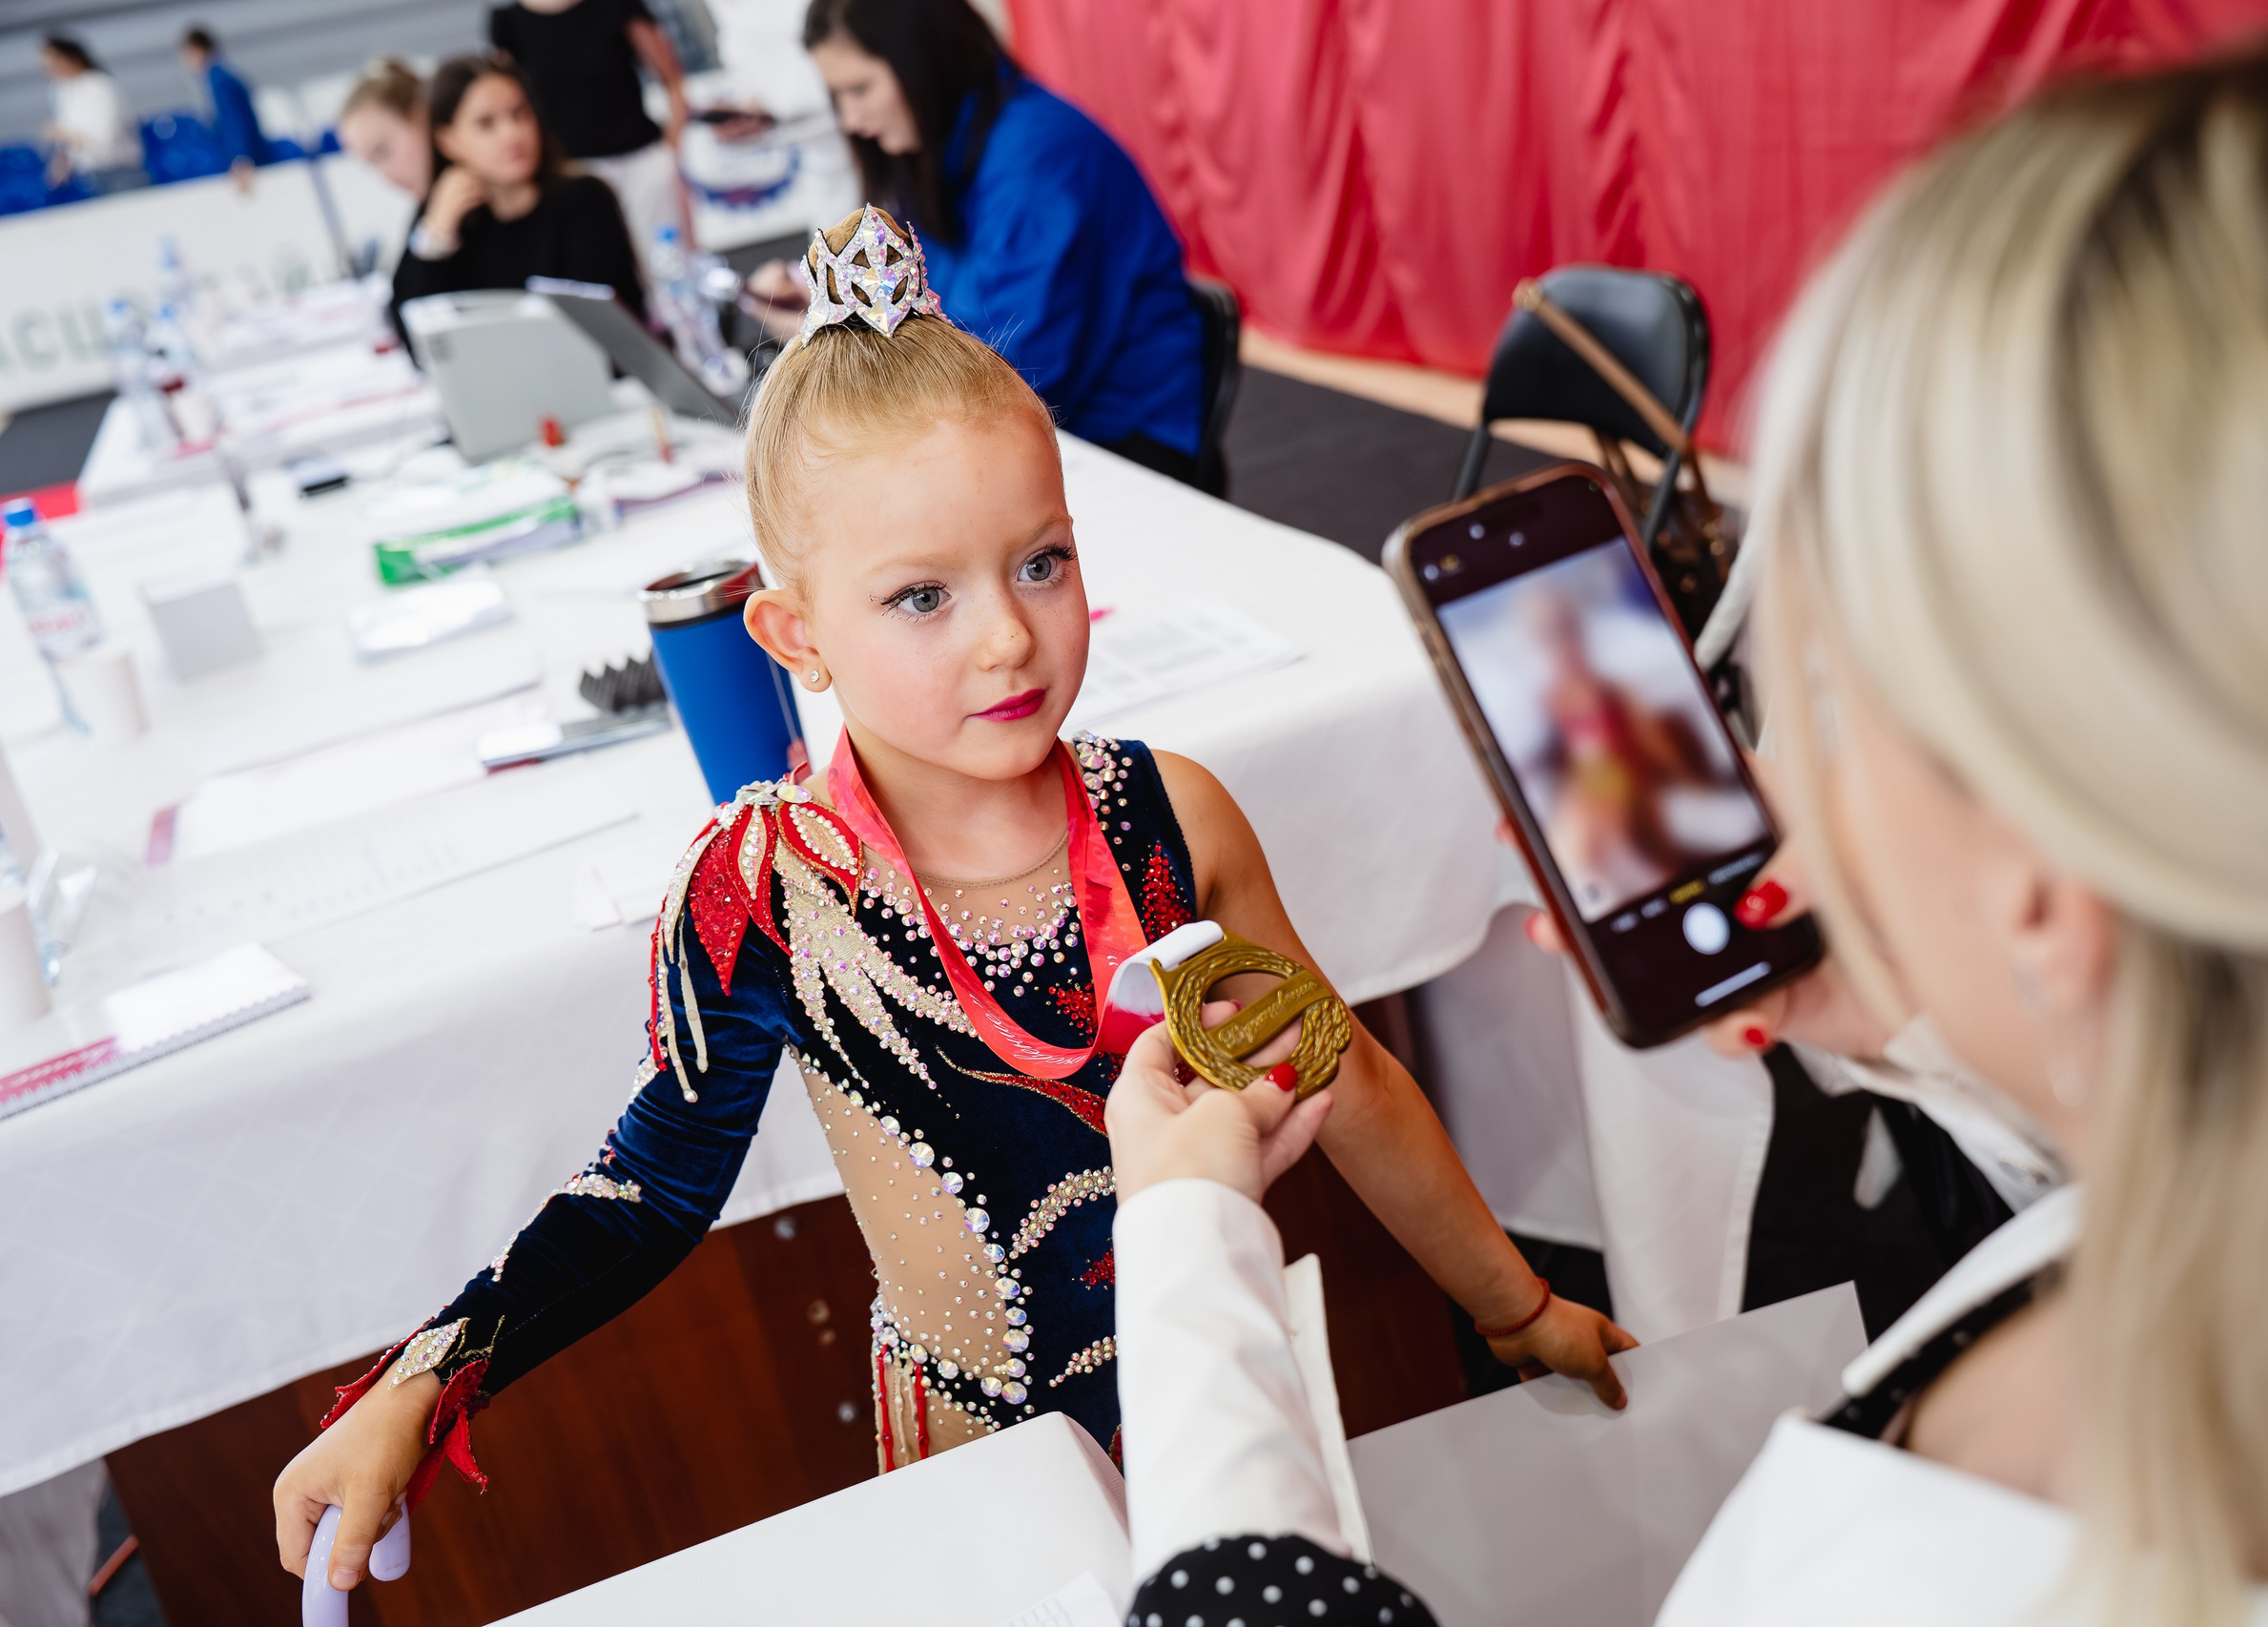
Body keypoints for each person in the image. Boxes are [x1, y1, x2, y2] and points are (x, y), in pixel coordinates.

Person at [1107, 16, 2268, 1626]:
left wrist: (1187, 1253)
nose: (1766, 762)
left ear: (2045, 892)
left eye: (1812, 694)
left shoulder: (1937, 1572)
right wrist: (1947, 1026)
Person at [272, 204, 1633, 1595]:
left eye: (1041, 561)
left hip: (1219, 1386)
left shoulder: (1171, 817)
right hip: (984, 1461)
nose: (1006, 634)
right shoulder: (770, 891)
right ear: (795, 632)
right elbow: (643, 1192)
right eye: (921, 597)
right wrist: (416, 1386)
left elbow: (1345, 1078)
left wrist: (1511, 1301)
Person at [750, 0, 1208, 486]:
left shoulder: (1037, 161)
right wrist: (832, 311)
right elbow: (927, 312)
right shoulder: (951, 148)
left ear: (924, 62)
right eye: (838, 96)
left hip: (1119, 443)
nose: (851, 120)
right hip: (1036, 423)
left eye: (860, 89)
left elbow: (1010, 368)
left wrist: (844, 347)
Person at [386, 54, 646, 343]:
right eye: (487, 123)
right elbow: (415, 341)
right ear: (449, 142)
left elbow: (614, 324)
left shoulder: (584, 199)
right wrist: (435, 241)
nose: (513, 134)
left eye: (520, 114)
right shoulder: (441, 216)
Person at [488, 0, 693, 277]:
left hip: (641, 164)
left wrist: (671, 152)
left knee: (674, 270)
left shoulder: (615, 6)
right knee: (606, 273)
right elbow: (510, 102)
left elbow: (673, 80)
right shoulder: (509, 23)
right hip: (575, 175)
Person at [37, 36, 144, 196]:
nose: (46, 69)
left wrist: (65, 135)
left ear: (69, 59)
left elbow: (105, 140)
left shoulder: (99, 86)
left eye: (50, 63)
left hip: (118, 172)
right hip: (87, 177)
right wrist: (62, 159)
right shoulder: (60, 90)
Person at [178, 26, 275, 180]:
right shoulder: (221, 75)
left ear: (198, 50)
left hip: (250, 159)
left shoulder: (219, 80)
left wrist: (241, 158)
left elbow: (234, 121)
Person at [336, 57, 431, 202]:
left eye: (383, 151)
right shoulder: (438, 215)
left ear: (420, 117)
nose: (388, 176)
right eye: (373, 164)